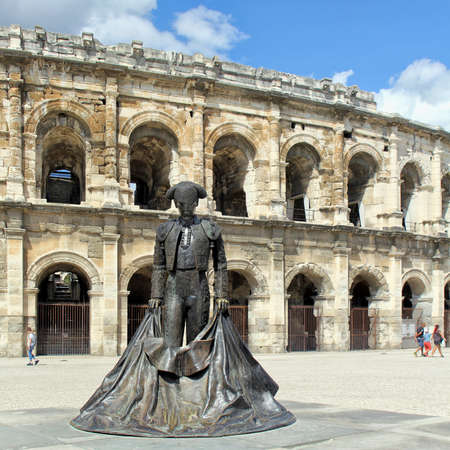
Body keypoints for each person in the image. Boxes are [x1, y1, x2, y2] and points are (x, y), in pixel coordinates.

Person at [149, 181, 229, 347]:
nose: (185, 208)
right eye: (181, 204)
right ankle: (170, 372)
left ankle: (195, 373)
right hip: (174, 285)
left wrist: (221, 294)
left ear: (196, 203)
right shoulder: (165, 230)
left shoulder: (211, 229)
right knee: (170, 339)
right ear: (176, 204)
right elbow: (159, 265)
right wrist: (156, 294)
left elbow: (220, 264)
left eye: (190, 204)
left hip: (198, 284)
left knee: (197, 339)